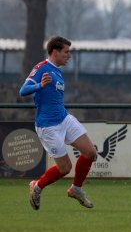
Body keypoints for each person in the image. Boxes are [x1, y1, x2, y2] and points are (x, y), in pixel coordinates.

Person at [19, 36, 96, 210]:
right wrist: (39, 85)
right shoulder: (41, 68)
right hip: (48, 125)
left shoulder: (58, 71)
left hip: (64, 118)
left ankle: (76, 189)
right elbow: (23, 90)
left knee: (90, 152)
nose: (69, 55)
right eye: (66, 52)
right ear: (55, 52)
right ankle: (37, 187)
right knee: (65, 168)